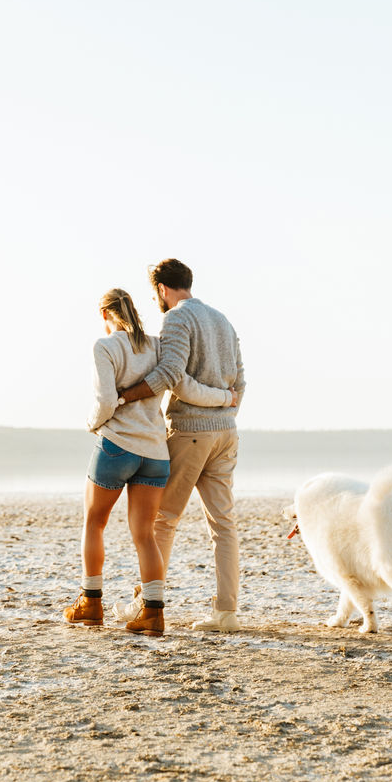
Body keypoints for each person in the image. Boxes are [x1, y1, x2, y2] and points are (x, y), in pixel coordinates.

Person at [64, 288, 234, 637]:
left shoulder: (105, 346)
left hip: (117, 446)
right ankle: (153, 614)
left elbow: (105, 401)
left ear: (104, 314)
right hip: (155, 453)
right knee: (145, 535)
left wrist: (92, 425)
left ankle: (90, 603)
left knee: (94, 523)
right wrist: (225, 398)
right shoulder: (157, 345)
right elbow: (178, 382)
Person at [115, 259, 246, 632]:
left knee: (163, 520)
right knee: (224, 524)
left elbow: (174, 377)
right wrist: (226, 406)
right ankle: (227, 613)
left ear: (161, 289)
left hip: (191, 430)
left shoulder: (176, 319)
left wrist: (125, 396)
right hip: (226, 433)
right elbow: (240, 384)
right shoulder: (223, 320)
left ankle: (146, 603)